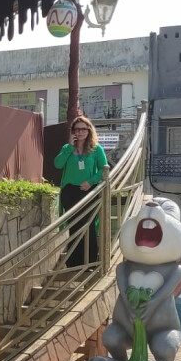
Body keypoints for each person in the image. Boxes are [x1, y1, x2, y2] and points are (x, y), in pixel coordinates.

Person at [54, 115, 109, 268]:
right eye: (76, 129)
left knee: (88, 226)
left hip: (88, 191)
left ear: (89, 130)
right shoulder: (67, 148)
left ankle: (90, 263)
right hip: (70, 192)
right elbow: (57, 164)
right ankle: (74, 264)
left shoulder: (96, 149)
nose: (80, 132)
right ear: (72, 132)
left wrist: (91, 181)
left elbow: (104, 170)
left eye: (83, 129)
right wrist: (70, 147)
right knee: (74, 226)